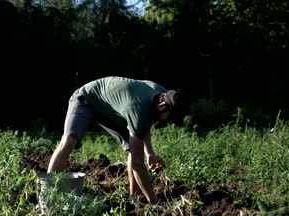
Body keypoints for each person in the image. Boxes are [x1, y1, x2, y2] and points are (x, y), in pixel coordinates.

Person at [47, 76, 190, 204]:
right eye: (171, 118)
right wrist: (154, 201)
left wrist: (149, 153)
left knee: (133, 150)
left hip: (111, 109)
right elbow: (137, 163)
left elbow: (143, 126)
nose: (171, 122)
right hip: (86, 99)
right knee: (69, 141)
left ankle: (134, 199)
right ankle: (47, 196)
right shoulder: (138, 107)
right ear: (162, 105)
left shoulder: (162, 95)